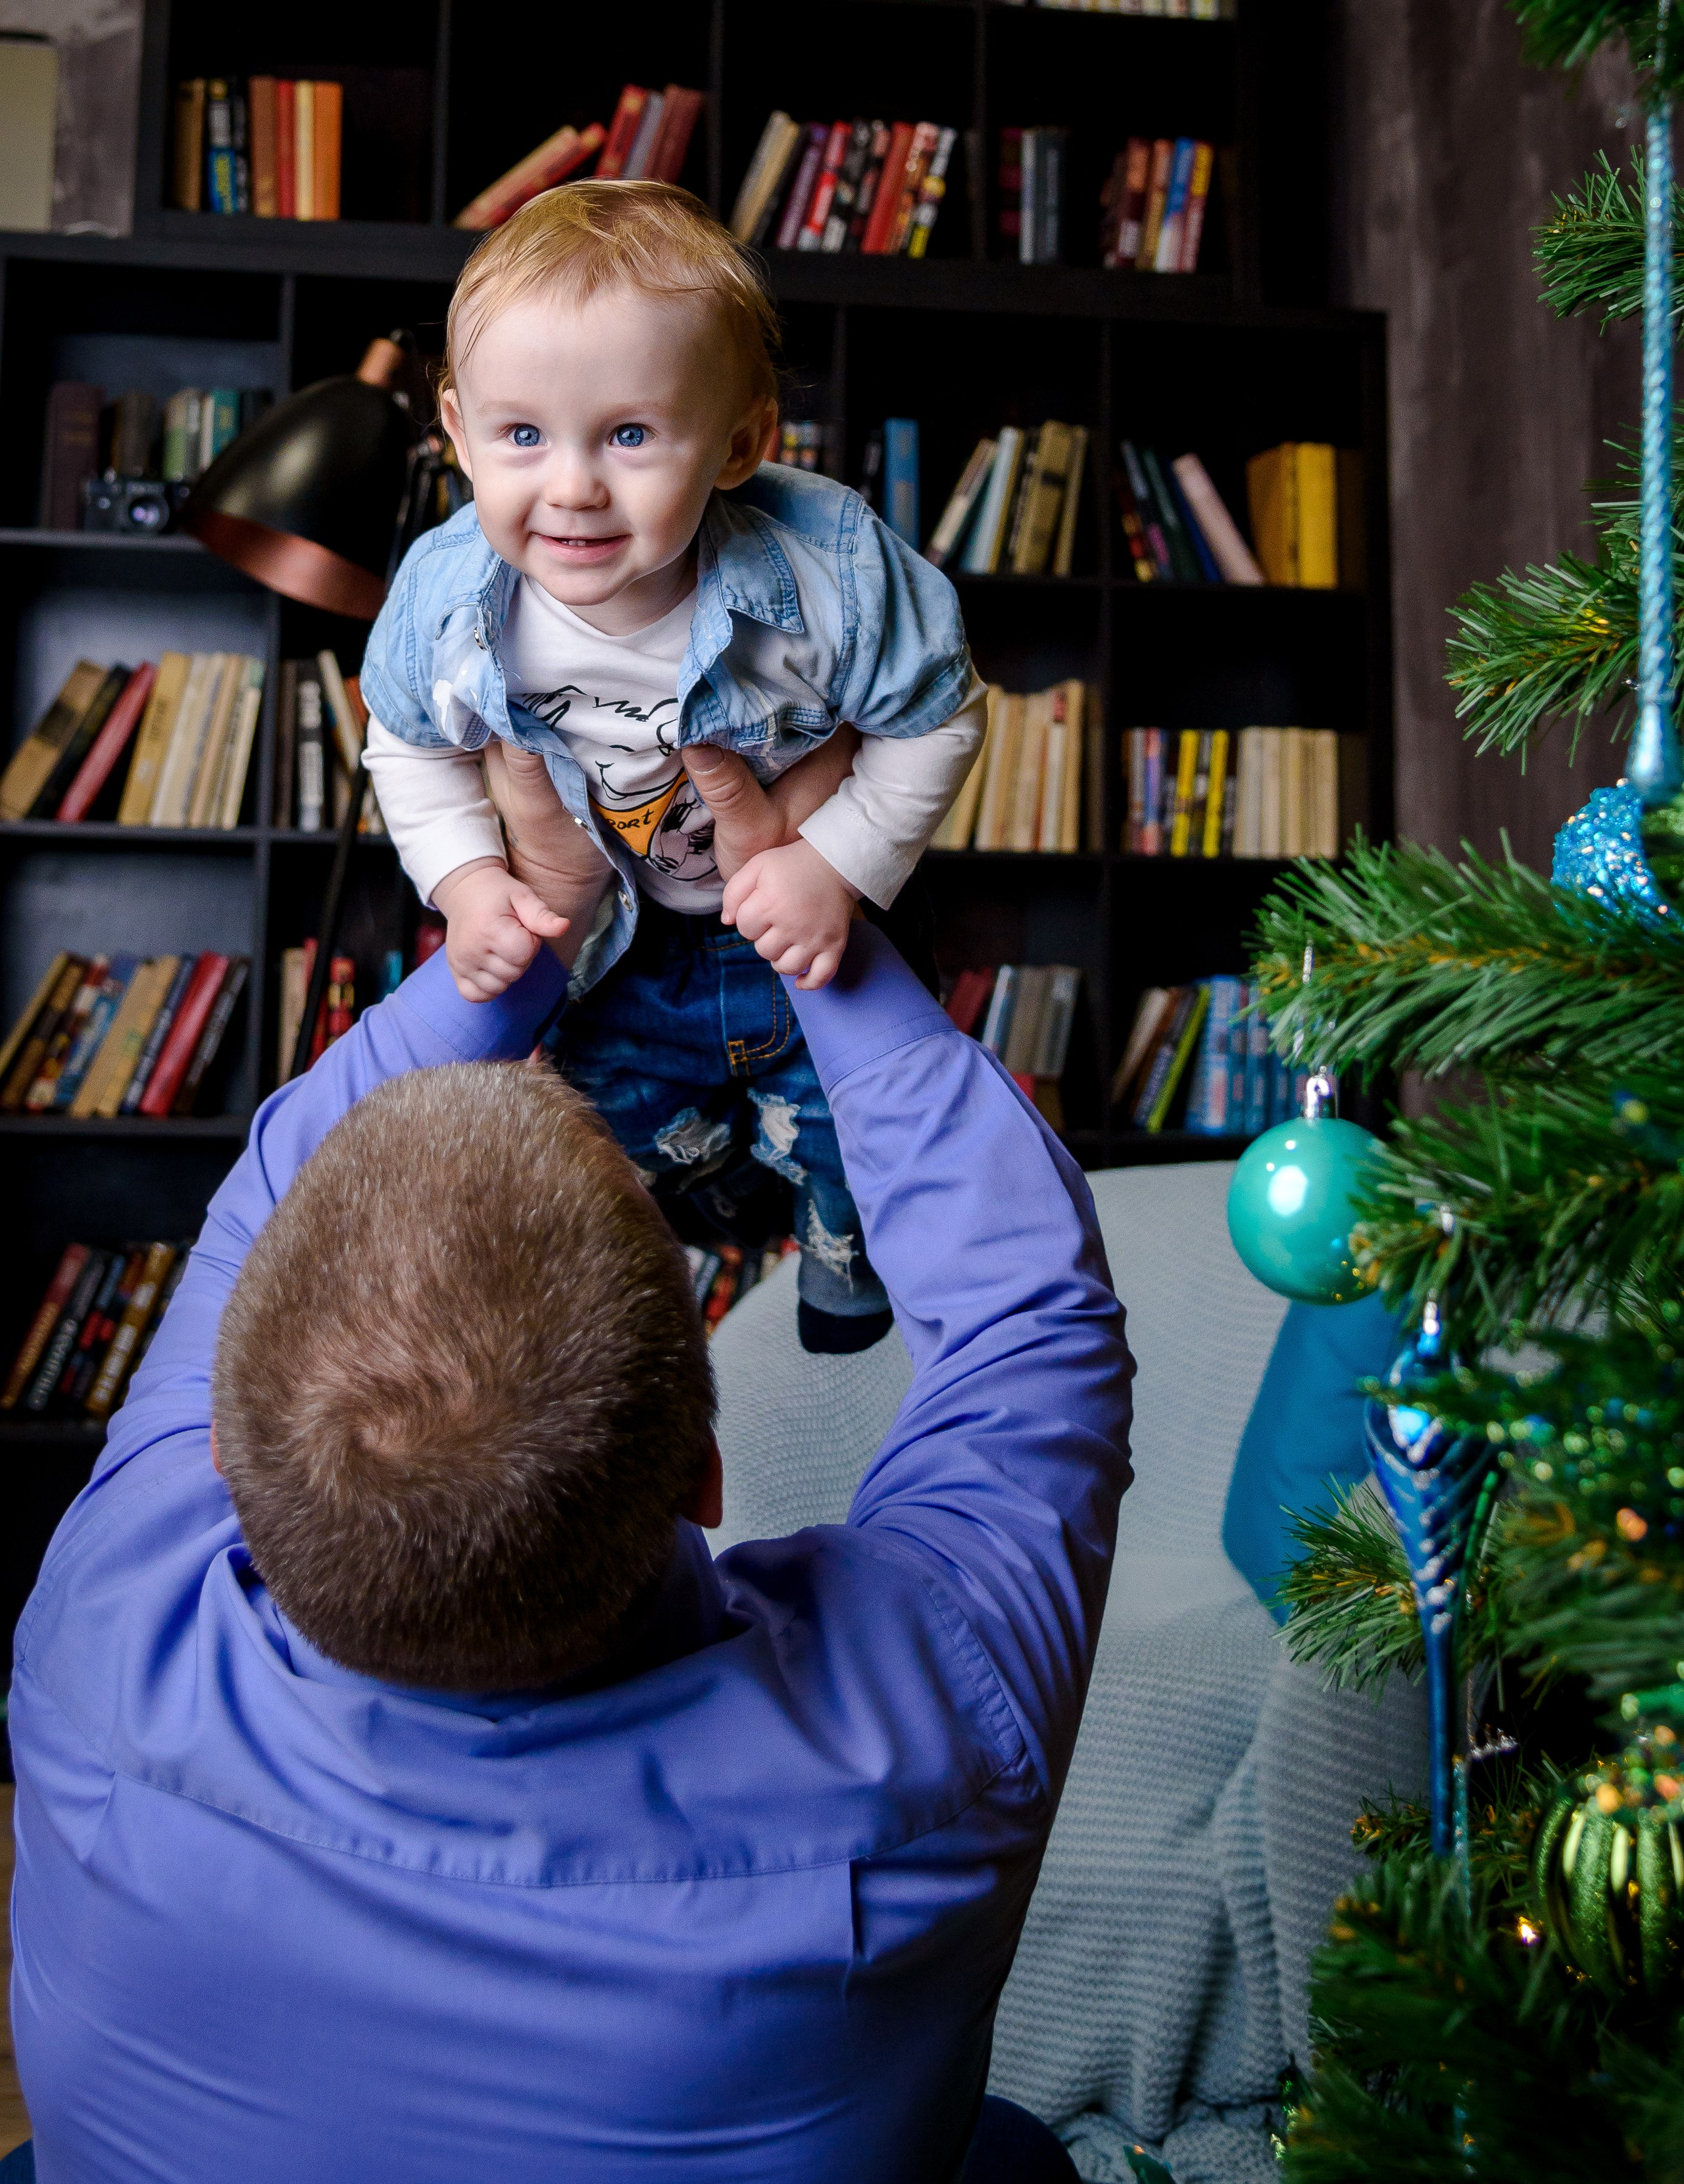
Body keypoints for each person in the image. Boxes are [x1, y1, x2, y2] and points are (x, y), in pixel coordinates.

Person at [7, 738, 1131, 2184]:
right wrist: (806, 914)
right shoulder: (928, 1731)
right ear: (707, 1478)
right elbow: (1031, 1322)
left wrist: (534, 921)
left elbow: (265, 1196)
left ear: (219, 1447)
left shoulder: (106, 1619)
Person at [360, 178, 986, 1355]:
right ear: (458, 432)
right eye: (523, 435)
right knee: (602, 1142)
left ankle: (840, 1262)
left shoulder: (827, 571)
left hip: (802, 929)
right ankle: (705, 1234)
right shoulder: (448, 603)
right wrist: (466, 882)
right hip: (621, 947)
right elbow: (407, 744)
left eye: (631, 435)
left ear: (741, 442)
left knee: (855, 1139)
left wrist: (835, 864)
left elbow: (938, 717)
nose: (573, 486)